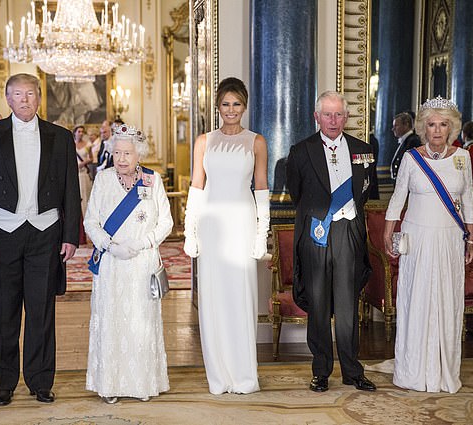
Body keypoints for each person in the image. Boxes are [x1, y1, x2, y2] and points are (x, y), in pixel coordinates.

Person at [0, 73, 81, 406]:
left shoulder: (61, 137)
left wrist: (70, 234)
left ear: (39, 97)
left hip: (46, 233)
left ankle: (41, 381)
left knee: (42, 312)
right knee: (2, 312)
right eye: (17, 94)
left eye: (30, 94)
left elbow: (71, 191)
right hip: (2, 234)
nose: (24, 100)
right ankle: (3, 384)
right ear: (7, 98)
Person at [383, 97, 473, 393]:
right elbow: (398, 199)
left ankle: (443, 369)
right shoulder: (412, 158)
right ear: (423, 127)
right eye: (432, 124)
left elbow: (468, 201)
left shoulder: (463, 158)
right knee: (418, 299)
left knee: (446, 300)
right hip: (418, 238)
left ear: (452, 128)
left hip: (449, 238)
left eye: (443, 124)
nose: (437, 131)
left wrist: (470, 238)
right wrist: (388, 232)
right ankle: (413, 370)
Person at [183, 77, 269, 395]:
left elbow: (261, 189)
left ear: (244, 106)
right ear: (217, 106)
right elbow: (196, 187)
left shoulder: (257, 141)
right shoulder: (203, 141)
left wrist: (262, 235)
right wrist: (190, 231)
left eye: (236, 104)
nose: (230, 110)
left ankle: (245, 376)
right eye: (225, 104)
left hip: (243, 224)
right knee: (214, 300)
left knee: (241, 299)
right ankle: (219, 376)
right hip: (212, 226)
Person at [286, 90, 376, 393]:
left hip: (348, 232)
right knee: (320, 304)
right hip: (317, 234)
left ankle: (353, 371)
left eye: (339, 114)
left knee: (348, 305)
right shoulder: (300, 151)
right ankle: (321, 371)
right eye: (327, 114)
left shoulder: (363, 150)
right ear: (317, 117)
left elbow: (366, 192)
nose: (333, 120)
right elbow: (296, 194)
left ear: (346, 117)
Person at [84, 124, 173, 404]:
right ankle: (110, 385)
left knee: (141, 323)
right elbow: (91, 222)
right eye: (117, 152)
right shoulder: (103, 179)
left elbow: (166, 222)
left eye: (128, 153)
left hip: (142, 263)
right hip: (112, 263)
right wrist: (110, 246)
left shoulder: (152, 180)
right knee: (112, 324)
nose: (121, 158)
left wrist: (141, 243)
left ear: (139, 155)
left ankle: (142, 383)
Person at [390, 112, 422, 181]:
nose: (393, 129)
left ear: (406, 125)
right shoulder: (405, 141)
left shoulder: (413, 141)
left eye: (396, 126)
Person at [73, 125, 93, 216]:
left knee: (85, 195)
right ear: (75, 133)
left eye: (82, 132)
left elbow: (91, 158)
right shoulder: (72, 144)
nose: (80, 133)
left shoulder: (88, 145)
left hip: (84, 172)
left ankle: (86, 216)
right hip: (75, 173)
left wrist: (83, 163)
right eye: (79, 131)